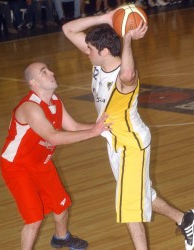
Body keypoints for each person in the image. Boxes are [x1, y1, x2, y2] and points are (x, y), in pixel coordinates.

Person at [62, 9, 194, 250]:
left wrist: (129, 39)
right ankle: (186, 220)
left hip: (131, 145)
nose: (86, 53)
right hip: (114, 141)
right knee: (141, 192)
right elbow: (68, 29)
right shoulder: (99, 58)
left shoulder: (123, 78)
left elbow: (129, 73)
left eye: (90, 50)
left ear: (104, 51)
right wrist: (106, 18)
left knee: (128, 207)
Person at [0, 62, 111, 250]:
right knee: (34, 219)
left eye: (49, 69)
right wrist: (93, 133)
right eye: (44, 72)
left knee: (62, 206)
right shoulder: (30, 107)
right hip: (18, 167)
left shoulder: (56, 101)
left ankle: (61, 238)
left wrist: (103, 128)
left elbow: (73, 126)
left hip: (42, 163)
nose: (51, 72)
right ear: (33, 82)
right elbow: (54, 137)